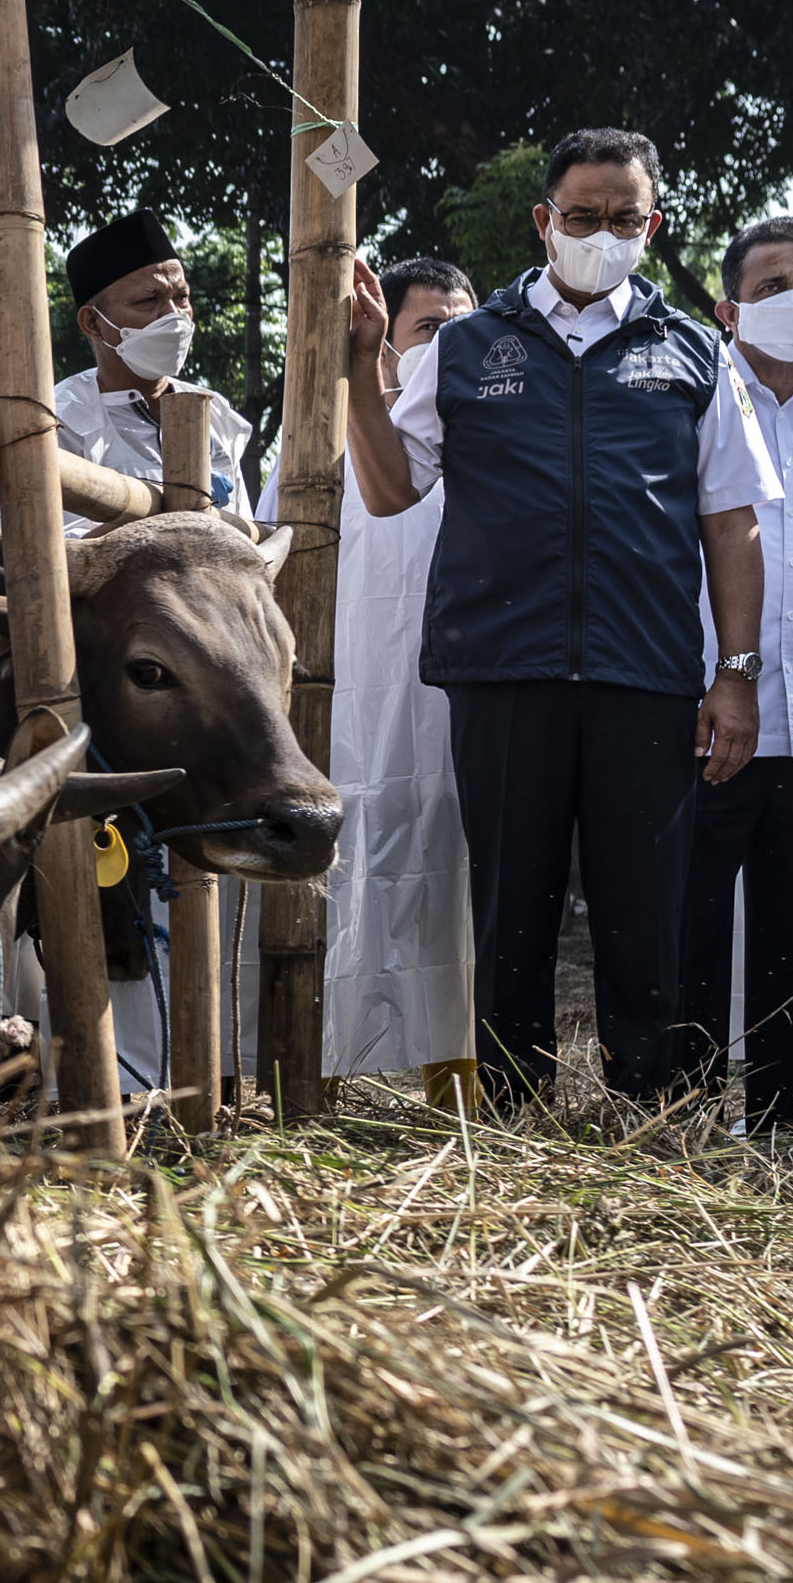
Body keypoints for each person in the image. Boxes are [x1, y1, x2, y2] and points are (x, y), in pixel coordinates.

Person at [345, 128, 771, 1110]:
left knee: (644, 905)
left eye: (623, 219)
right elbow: (390, 488)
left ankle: (647, 1106)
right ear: (544, 220)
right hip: (503, 667)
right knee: (512, 907)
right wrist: (365, 370)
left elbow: (731, 522)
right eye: (581, 217)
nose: (600, 234)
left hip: (645, 670)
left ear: (652, 226)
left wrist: (735, 673)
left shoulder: (694, 353)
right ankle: (511, 1106)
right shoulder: (464, 347)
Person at [671, 217, 793, 1135]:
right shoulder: (689, 407)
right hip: (705, 716)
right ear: (728, 310)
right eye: (770, 285)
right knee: (689, 924)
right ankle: (679, 1114)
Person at [322, 257, 479, 1094]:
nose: (451, 345)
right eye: (431, 329)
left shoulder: (494, 438)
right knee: (358, 882)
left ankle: (459, 1090)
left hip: (464, 705)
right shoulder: (327, 437)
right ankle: (326, 1081)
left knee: (460, 899)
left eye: (466, 327)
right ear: (387, 344)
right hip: (360, 708)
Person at [0, 212, 275, 531]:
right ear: (93, 323)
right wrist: (164, 515)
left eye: (181, 297)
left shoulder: (215, 413)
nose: (174, 317)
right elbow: (60, 550)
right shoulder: (54, 422)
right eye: (149, 300)